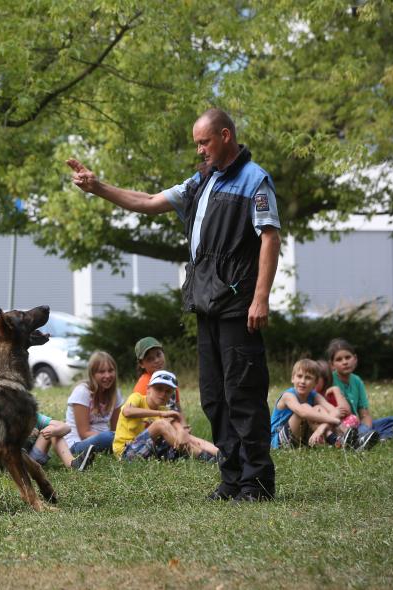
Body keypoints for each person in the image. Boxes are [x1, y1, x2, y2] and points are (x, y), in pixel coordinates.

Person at [68, 108, 281, 501]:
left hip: (238, 305)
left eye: (205, 142)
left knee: (244, 394)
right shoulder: (201, 181)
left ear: (225, 136)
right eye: (197, 144)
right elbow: (148, 201)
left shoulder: (255, 180)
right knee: (215, 397)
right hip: (207, 304)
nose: (200, 150)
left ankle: (257, 482)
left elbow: (269, 237)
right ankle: (232, 479)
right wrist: (99, 187)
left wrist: (260, 298)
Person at [114, 370, 219, 461]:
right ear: (148, 389)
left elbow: (179, 424)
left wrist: (183, 431)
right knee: (161, 425)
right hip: (126, 453)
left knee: (188, 436)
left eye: (168, 391)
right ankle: (203, 457)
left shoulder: (165, 410)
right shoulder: (137, 398)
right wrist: (160, 414)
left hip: (151, 453)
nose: (163, 394)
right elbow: (127, 412)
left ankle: (220, 453)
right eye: (159, 388)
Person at [270, 359, 362, 451]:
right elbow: (303, 413)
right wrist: (336, 421)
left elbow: (335, 411)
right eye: (299, 376)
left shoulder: (314, 396)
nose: (302, 381)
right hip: (279, 441)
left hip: (302, 439)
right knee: (306, 407)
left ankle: (347, 442)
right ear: (293, 378)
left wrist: (321, 428)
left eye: (308, 378)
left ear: (315, 382)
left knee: (319, 408)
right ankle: (337, 439)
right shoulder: (288, 396)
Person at [327, 338, 393, 442]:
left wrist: (365, 429)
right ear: (332, 365)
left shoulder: (357, 380)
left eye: (347, 357)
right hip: (338, 427)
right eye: (339, 359)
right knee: (362, 432)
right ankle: (371, 438)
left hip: (357, 425)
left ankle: (371, 438)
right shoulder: (329, 380)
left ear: (355, 359)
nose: (345, 362)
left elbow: (365, 415)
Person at [63, 351, 123, 459]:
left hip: (105, 440)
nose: (107, 375)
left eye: (110, 370)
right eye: (101, 371)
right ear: (93, 374)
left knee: (120, 435)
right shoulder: (82, 392)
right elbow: (84, 433)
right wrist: (116, 438)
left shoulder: (115, 393)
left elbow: (116, 428)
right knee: (110, 437)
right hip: (77, 444)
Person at [27, 411, 96, 471]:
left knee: (53, 429)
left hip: (32, 457)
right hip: (19, 462)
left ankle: (72, 464)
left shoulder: (33, 416)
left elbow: (67, 428)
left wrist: (53, 431)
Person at [132, 336, 182, 411]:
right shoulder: (142, 386)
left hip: (171, 420)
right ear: (141, 364)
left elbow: (177, 409)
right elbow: (135, 414)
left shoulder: (170, 379)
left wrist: (183, 423)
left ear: (163, 353)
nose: (156, 360)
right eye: (150, 359)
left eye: (158, 354)